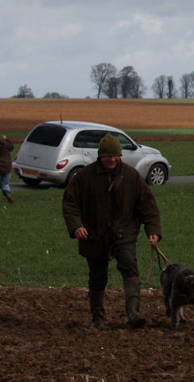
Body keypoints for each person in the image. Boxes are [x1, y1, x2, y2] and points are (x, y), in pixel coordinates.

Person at [62, 133, 162, 329]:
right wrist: (76, 226)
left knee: (130, 269)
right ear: (100, 156)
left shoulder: (132, 176)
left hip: (124, 234)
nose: (112, 159)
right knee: (97, 277)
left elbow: (147, 206)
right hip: (94, 235)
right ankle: (97, 319)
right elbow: (70, 204)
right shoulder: (83, 177)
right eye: (108, 156)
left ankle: (133, 314)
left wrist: (153, 229)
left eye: (116, 156)